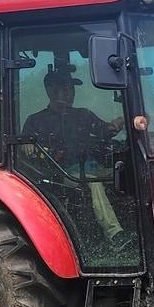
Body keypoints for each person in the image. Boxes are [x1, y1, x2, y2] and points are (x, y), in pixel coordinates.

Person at [21, 70, 126, 242]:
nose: (70, 93)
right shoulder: (35, 121)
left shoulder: (83, 115)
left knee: (127, 174)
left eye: (71, 89)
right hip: (62, 174)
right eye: (66, 88)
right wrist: (26, 144)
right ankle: (115, 235)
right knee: (94, 183)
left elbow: (105, 130)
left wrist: (122, 120)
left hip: (92, 168)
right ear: (51, 90)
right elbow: (25, 144)